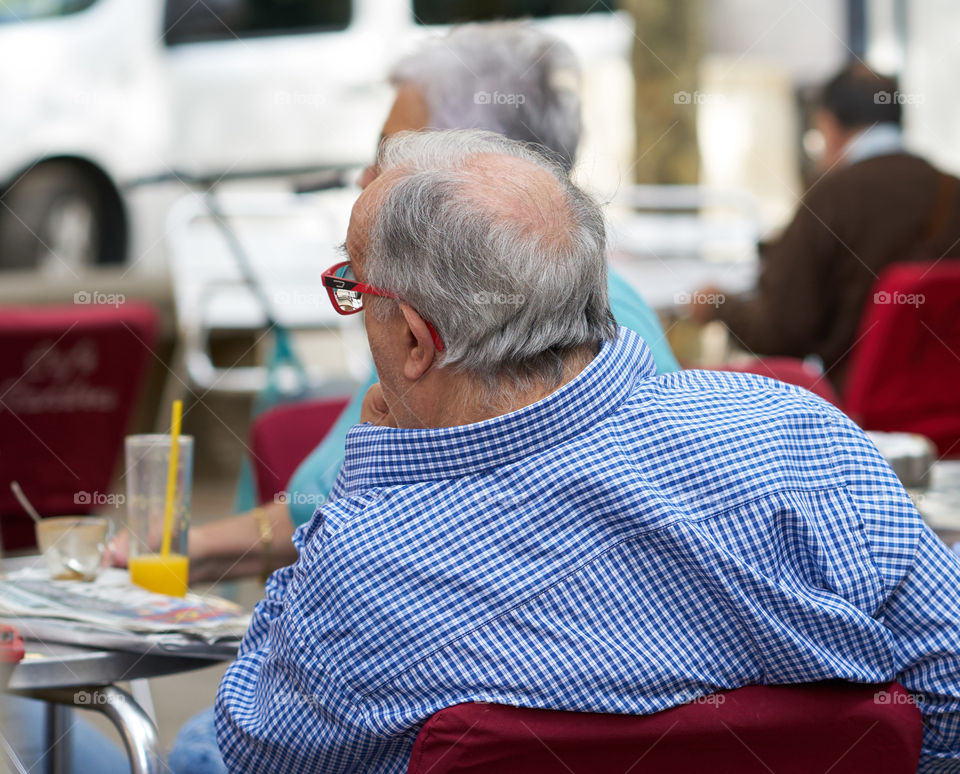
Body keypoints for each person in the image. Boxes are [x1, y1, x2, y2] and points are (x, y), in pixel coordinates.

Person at [216, 129, 960, 773]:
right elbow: (948, 692)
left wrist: (364, 484)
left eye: (353, 285)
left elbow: (260, 746)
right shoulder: (800, 437)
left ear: (415, 338)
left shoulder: (369, 566)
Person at [113, 22, 678, 586]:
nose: (364, 177)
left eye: (390, 156)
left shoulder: (533, 329)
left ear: (473, 175)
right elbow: (314, 510)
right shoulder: (462, 307)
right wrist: (161, 554)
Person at [691, 63, 960, 391]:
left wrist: (720, 306)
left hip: (862, 406)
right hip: (946, 403)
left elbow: (783, 332)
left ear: (829, 126)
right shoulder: (951, 189)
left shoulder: (831, 197)